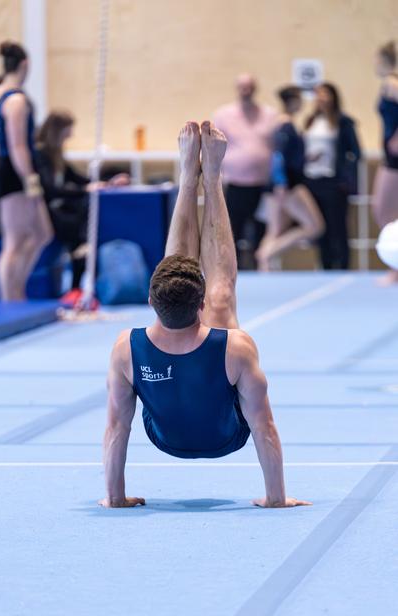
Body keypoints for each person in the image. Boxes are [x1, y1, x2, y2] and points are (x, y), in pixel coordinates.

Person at [98, 121, 311, 510]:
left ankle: (188, 178)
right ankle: (211, 180)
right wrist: (276, 499)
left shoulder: (125, 348)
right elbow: (263, 427)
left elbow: (117, 427)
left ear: (148, 300)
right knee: (223, 298)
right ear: (197, 309)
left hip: (167, 437)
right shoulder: (238, 347)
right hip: (224, 437)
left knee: (185, 279)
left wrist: (114, 498)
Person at [35, 110, 130, 295]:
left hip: (59, 208)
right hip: (46, 210)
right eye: (68, 130)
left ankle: (79, 278)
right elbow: (50, 190)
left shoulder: (57, 155)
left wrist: (107, 182)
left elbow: (78, 179)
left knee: (82, 216)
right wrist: (84, 190)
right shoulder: (41, 155)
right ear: (58, 131)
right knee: (78, 224)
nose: (71, 135)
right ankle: (78, 273)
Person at [0, 41, 53, 300]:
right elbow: (17, 145)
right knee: (14, 242)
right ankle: (9, 297)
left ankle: (17, 290)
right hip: (15, 173)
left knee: (42, 233)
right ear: (25, 65)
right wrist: (30, 180)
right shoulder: (16, 100)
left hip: (9, 170)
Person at [255, 86, 324, 270]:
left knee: (275, 230)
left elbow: (287, 155)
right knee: (315, 227)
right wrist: (281, 183)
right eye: (300, 99)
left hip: (280, 182)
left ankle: (265, 268)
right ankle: (267, 253)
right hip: (287, 184)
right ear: (293, 100)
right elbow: (278, 156)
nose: (302, 104)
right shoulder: (285, 124)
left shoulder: (283, 123)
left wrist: (307, 159)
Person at [213, 74, 278, 268]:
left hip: (263, 184)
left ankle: (262, 269)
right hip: (235, 184)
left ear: (255, 88)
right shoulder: (223, 115)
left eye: (249, 87)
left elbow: (276, 147)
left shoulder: (270, 114)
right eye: (242, 87)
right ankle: (233, 269)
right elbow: (215, 147)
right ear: (236, 89)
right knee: (233, 231)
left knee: (262, 230)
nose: (246, 91)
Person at [303, 83, 361, 270]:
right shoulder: (311, 121)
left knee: (338, 226)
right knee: (320, 227)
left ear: (333, 97)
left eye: (325, 94)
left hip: (333, 181)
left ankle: (343, 266)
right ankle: (325, 265)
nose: (321, 98)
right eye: (318, 95)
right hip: (312, 180)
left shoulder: (343, 122)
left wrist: (345, 174)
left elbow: (356, 152)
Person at [373, 41, 398, 286]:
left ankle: (396, 269)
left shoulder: (391, 83)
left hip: (395, 156)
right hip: (390, 156)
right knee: (385, 212)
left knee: (386, 214)